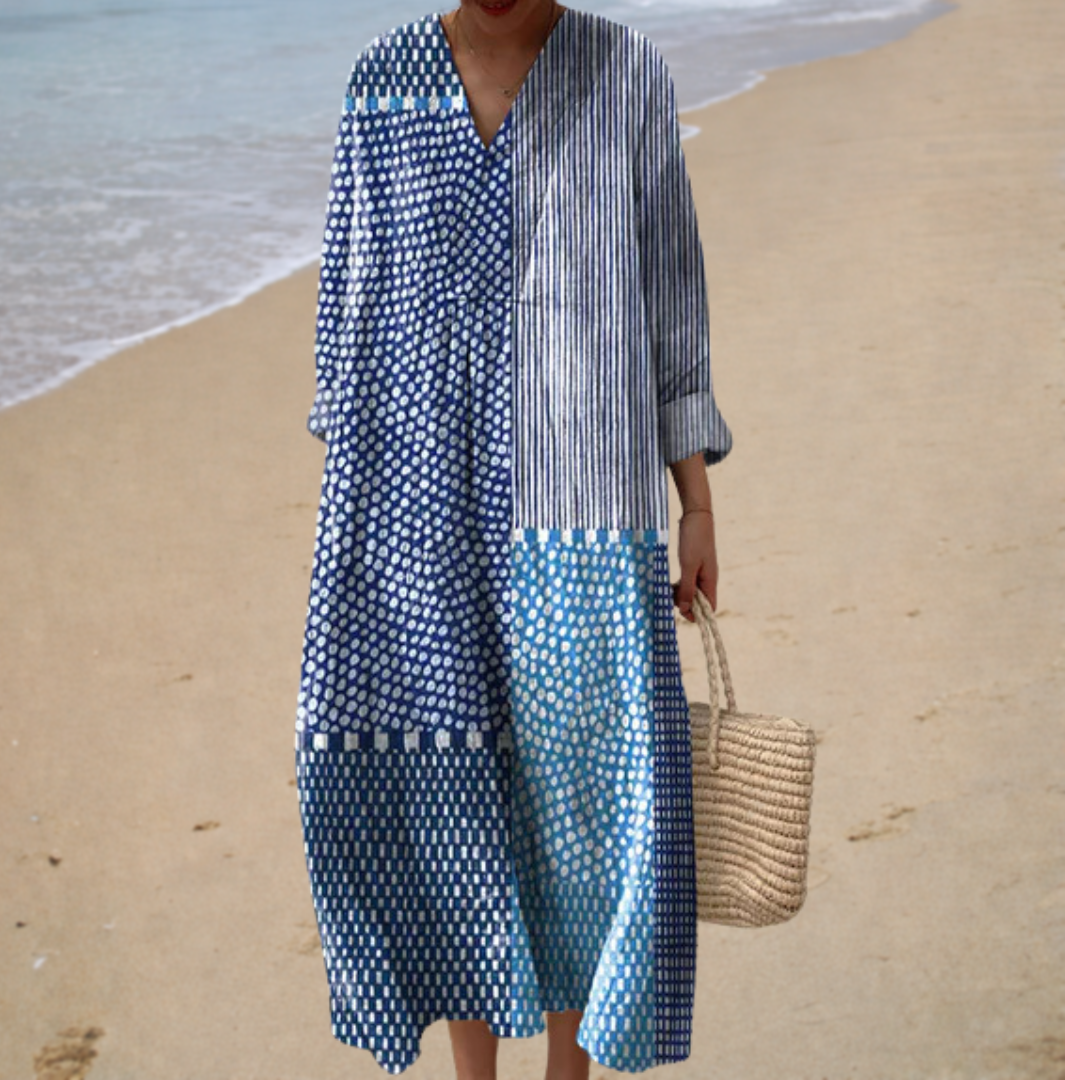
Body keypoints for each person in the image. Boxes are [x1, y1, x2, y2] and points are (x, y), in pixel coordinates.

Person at [293, 1, 733, 1077]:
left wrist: (697, 504)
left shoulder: (626, 73)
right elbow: (346, 306)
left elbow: (671, 296)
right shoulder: (383, 83)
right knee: (447, 791)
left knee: (585, 795)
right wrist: (356, 519)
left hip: (586, 508)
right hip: (416, 508)